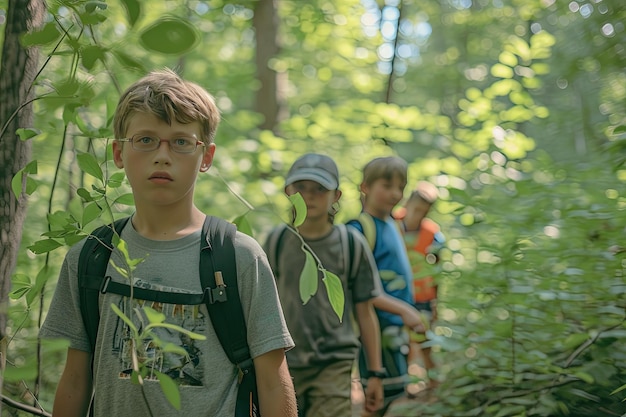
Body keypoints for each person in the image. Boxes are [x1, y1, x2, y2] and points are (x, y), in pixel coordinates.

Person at [39, 69, 297, 417]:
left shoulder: (237, 257)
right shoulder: (92, 257)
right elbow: (75, 379)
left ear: (206, 157)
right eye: (145, 140)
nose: (162, 155)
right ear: (118, 153)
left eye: (181, 142)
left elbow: (271, 380)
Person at [263, 153, 384, 417]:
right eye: (301, 188)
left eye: (320, 189)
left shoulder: (350, 244)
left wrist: (374, 373)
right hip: (282, 364)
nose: (310, 195)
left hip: (334, 364)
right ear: (288, 191)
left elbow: (365, 311)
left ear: (336, 196)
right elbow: (260, 309)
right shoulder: (276, 242)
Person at [347, 156, 423, 417]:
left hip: (395, 327)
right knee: (377, 396)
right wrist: (403, 309)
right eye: (387, 185)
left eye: (400, 187)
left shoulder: (393, 224)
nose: (395, 193)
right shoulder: (358, 229)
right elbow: (358, 287)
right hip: (375, 329)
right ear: (365, 187)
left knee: (394, 390)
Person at [394, 181, 445, 392]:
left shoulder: (433, 234)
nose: (418, 213)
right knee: (400, 344)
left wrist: (435, 302)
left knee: (424, 343)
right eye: (416, 207)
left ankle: (433, 387)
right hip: (396, 295)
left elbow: (437, 272)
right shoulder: (390, 223)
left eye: (424, 210)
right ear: (408, 202)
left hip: (423, 296)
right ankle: (403, 386)